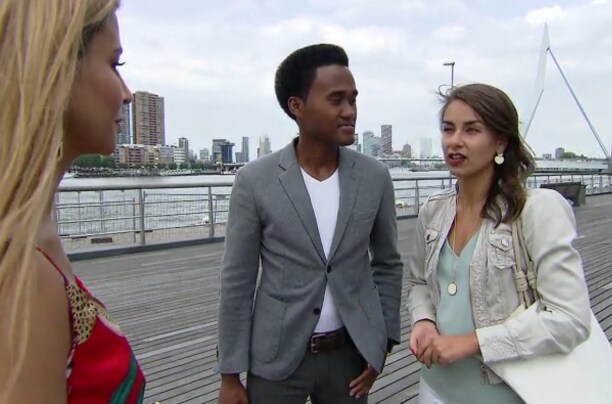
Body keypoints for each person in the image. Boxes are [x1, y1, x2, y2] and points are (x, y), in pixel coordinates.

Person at [0, 1, 145, 402]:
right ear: (52, 71)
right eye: (115, 65)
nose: (127, 95)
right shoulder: (15, 275)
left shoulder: (14, 238)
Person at [216, 43, 403, 404]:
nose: (349, 111)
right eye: (336, 100)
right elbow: (237, 281)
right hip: (276, 359)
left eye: (353, 99)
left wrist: (382, 343)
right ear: (296, 106)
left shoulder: (375, 177)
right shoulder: (255, 180)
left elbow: (387, 264)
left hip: (350, 358)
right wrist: (229, 375)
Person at [407, 83, 592, 403]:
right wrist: (423, 320)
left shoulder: (535, 210)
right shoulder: (433, 210)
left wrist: (473, 341)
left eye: (471, 130)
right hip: (434, 388)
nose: (455, 141)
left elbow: (570, 320)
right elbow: (420, 282)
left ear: (501, 141)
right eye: (448, 129)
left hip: (504, 392)